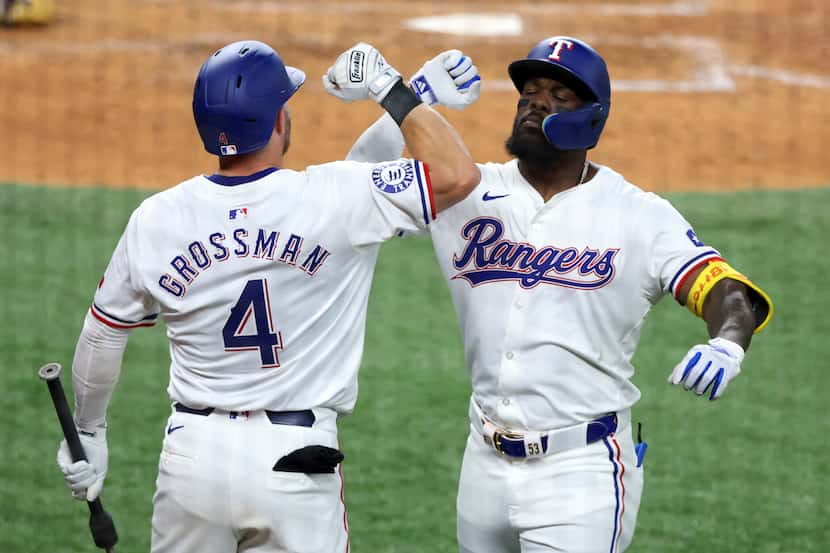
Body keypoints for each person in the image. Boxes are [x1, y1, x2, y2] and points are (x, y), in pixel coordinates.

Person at [347, 36, 774, 553]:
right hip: (482, 464)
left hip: (582, 475)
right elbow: (356, 184)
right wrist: (414, 96)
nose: (535, 100)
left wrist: (727, 343)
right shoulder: (466, 190)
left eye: (557, 94)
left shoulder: (638, 215)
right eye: (528, 91)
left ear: (592, 117)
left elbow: (724, 290)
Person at [54, 40, 482, 553]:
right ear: (279, 121)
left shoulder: (157, 218)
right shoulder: (333, 201)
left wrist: (90, 431)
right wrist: (400, 90)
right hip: (294, 465)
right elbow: (453, 174)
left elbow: (103, 333)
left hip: (192, 464)